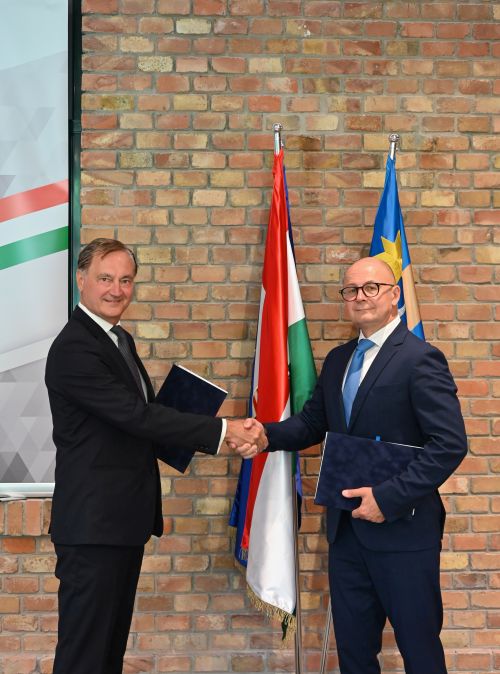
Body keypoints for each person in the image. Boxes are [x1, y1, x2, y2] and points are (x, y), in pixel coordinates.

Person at [45, 238, 266, 674]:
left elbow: (134, 420)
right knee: (84, 656)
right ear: (80, 280)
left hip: (120, 523)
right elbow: (135, 416)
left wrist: (188, 423)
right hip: (93, 528)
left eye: (126, 280)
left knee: (107, 653)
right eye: (105, 278)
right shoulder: (76, 347)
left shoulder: (116, 339)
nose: (116, 290)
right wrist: (223, 430)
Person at [238, 257, 467, 674]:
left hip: (404, 533)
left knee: (420, 653)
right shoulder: (339, 359)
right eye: (351, 290)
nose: (360, 297)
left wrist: (387, 498)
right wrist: (265, 435)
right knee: (355, 656)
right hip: (346, 534)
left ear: (395, 295)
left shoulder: (420, 359)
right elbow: (313, 424)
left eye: (371, 288)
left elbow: (449, 445)